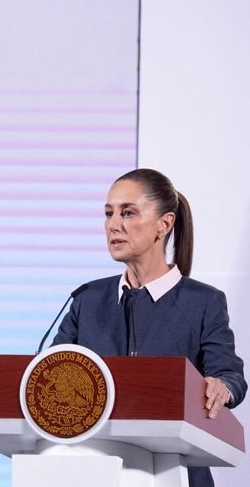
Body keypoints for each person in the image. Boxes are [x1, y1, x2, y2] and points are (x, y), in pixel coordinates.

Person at [52, 168, 246, 487]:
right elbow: (50, 374)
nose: (114, 224)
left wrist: (221, 386)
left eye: (128, 212)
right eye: (108, 213)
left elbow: (230, 375)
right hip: (94, 472)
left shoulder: (204, 302)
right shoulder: (86, 299)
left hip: (179, 473)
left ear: (164, 223)